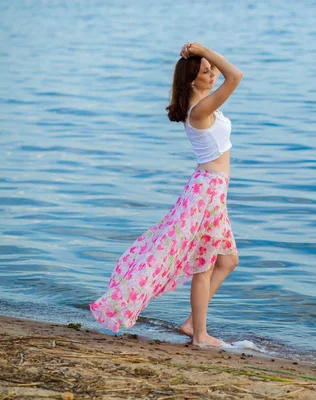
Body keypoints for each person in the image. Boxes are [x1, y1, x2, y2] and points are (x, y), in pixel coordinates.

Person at [90, 42, 243, 347]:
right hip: (206, 193)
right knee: (205, 264)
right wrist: (207, 51)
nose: (213, 73)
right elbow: (235, 76)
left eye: (212, 69)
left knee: (228, 261)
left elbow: (227, 74)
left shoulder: (202, 105)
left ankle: (191, 323)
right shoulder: (200, 110)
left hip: (211, 191)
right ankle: (200, 334)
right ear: (191, 80)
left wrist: (200, 54)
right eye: (205, 71)